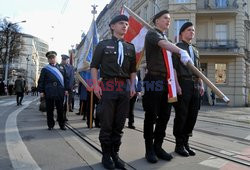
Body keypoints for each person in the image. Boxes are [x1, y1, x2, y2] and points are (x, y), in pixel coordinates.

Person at [142, 10, 193, 164]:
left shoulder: (167, 38)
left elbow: (172, 60)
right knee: (151, 115)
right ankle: (149, 149)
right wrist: (180, 50)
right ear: (157, 21)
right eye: (165, 18)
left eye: (169, 19)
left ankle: (158, 146)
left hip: (167, 80)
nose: (168, 21)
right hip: (153, 79)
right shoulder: (152, 34)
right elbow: (163, 45)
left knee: (165, 115)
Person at [91, 15, 136, 169]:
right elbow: (94, 66)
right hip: (108, 86)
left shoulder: (130, 47)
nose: (125, 26)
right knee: (107, 123)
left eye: (127, 24)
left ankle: (115, 154)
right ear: (112, 26)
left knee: (119, 124)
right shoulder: (103, 45)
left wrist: (132, 86)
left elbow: (133, 70)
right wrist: (95, 85)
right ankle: (106, 155)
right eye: (121, 23)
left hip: (124, 88)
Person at [172, 22, 204, 157]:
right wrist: (177, 85)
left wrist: (201, 83)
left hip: (195, 85)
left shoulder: (195, 50)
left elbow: (198, 69)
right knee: (182, 114)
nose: (192, 32)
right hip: (183, 83)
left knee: (192, 115)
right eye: (189, 30)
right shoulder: (177, 48)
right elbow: (173, 68)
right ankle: (179, 144)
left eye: (193, 30)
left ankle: (186, 142)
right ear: (182, 33)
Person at [38, 51, 69, 130]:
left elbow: (66, 79)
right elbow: (41, 80)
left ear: (56, 58)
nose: (52, 59)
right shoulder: (45, 69)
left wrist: (66, 89)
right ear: (48, 59)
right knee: (49, 109)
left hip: (60, 91)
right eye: (50, 58)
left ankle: (62, 125)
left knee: (60, 109)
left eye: (53, 58)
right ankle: (50, 125)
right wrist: (41, 91)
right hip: (49, 91)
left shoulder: (62, 67)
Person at [61, 54, 75, 121]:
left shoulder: (71, 67)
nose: (64, 61)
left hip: (69, 87)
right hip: (62, 88)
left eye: (65, 59)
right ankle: (61, 116)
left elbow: (72, 77)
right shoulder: (59, 66)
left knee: (67, 102)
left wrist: (72, 86)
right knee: (62, 102)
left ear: (68, 60)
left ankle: (64, 115)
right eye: (63, 59)